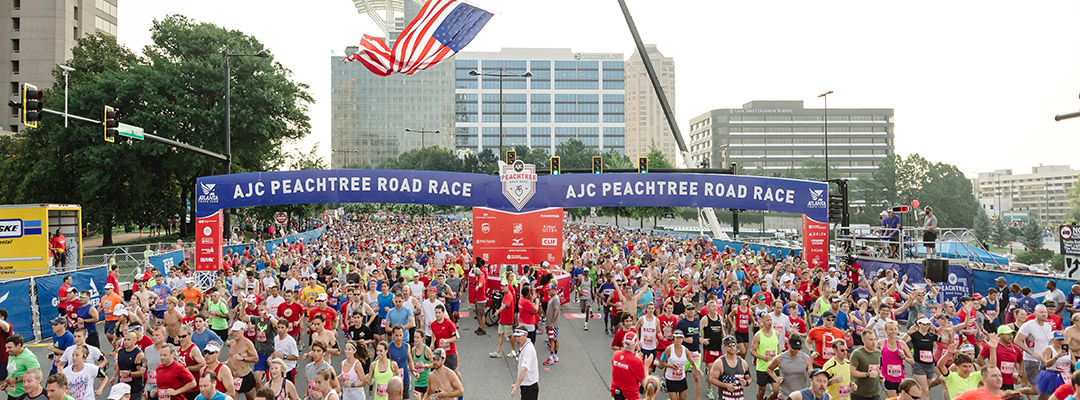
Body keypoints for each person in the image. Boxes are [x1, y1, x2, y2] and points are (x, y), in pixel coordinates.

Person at [1017, 305, 1054, 390]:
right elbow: (1017, 340)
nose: (1044, 314)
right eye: (1041, 312)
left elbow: (1049, 343)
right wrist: (1032, 353)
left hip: (1044, 360)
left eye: (1045, 312)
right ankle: (1015, 393)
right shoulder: (1028, 325)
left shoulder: (1048, 327)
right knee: (1036, 389)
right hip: (1032, 360)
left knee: (1045, 388)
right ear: (1035, 313)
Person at [768, 335, 812, 400]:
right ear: (788, 344)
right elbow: (769, 369)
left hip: (800, 396)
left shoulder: (806, 358)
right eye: (794, 348)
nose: (796, 351)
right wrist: (776, 378)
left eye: (798, 348)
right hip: (784, 396)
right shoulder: (779, 358)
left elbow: (811, 371)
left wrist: (810, 372)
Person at [658, 329, 697, 400]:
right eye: (677, 338)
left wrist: (697, 368)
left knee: (682, 398)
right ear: (674, 338)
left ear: (682, 339)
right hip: (671, 379)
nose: (679, 340)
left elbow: (692, 361)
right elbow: (662, 362)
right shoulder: (669, 349)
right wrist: (670, 366)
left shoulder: (685, 350)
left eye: (680, 338)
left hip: (681, 378)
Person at [611, 332, 650, 400]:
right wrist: (646, 366)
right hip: (630, 396)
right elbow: (644, 383)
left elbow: (625, 366)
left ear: (623, 342)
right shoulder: (637, 361)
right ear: (636, 345)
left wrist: (634, 357)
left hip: (616, 394)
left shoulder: (615, 355)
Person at [750, 313, 780, 400]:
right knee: (762, 390)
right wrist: (762, 357)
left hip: (774, 367)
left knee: (776, 391)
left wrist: (780, 360)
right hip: (762, 367)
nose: (770, 322)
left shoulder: (776, 333)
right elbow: (752, 351)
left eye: (771, 320)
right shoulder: (758, 335)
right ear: (762, 322)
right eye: (767, 320)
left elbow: (778, 348)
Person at [880, 321, 914, 398]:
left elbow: (912, 361)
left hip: (900, 377)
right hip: (887, 376)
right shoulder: (881, 343)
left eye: (895, 329)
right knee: (893, 398)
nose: (894, 331)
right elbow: (873, 355)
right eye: (891, 329)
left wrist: (904, 357)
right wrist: (879, 372)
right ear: (886, 330)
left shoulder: (901, 344)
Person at [227, 322, 258, 400]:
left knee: (250, 399)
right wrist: (227, 361)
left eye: (237, 331)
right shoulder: (231, 343)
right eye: (234, 331)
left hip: (245, 377)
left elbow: (255, 358)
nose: (235, 333)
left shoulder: (248, 343)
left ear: (243, 330)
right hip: (234, 377)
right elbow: (232, 355)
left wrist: (243, 358)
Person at [712, 336, 750, 400]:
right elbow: (712, 379)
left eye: (733, 345)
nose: (731, 347)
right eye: (729, 345)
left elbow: (748, 378)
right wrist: (726, 385)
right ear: (724, 347)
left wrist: (746, 382)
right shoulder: (719, 363)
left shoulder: (743, 363)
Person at [850, 330, 882, 400]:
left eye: (874, 339)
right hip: (859, 394)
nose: (873, 342)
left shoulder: (878, 353)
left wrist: (880, 376)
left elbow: (877, 368)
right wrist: (867, 374)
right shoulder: (857, 353)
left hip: (875, 393)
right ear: (863, 340)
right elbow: (851, 372)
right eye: (870, 340)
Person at [6, 335, 41, 399]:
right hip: (12, 393)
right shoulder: (11, 355)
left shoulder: (29, 357)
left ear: (19, 345)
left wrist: (16, 379)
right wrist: (7, 383)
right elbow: (13, 372)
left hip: (25, 395)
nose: (7, 350)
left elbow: (38, 375)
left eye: (9, 347)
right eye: (6, 348)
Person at [509, 326, 539, 400]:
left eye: (519, 337)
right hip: (526, 385)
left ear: (526, 335)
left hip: (529, 387)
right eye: (515, 337)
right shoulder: (525, 345)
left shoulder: (528, 349)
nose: (517, 339)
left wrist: (517, 385)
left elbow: (524, 369)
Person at [490, 281, 516, 358]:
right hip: (503, 319)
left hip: (507, 320)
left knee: (510, 335)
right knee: (500, 334)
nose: (502, 288)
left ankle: (514, 350)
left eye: (503, 286)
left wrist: (498, 311)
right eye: (501, 286)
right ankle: (497, 351)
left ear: (507, 286)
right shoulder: (505, 295)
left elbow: (506, 305)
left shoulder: (509, 295)